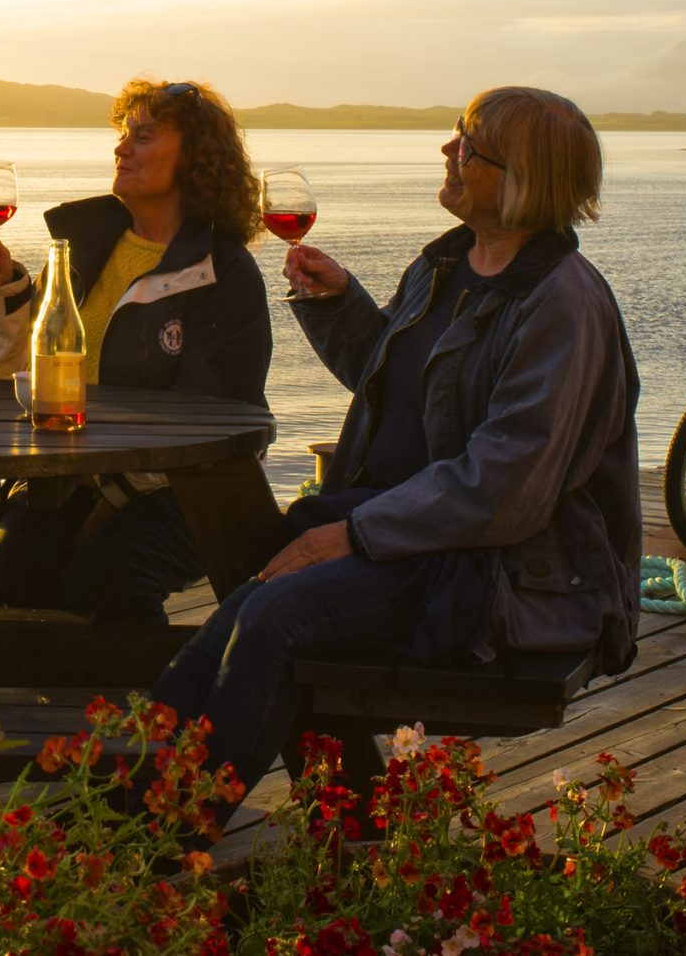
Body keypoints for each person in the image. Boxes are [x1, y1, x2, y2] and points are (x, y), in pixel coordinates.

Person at [150, 86, 640, 795]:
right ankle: (126, 809)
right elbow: (405, 392)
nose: (447, 150)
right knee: (247, 593)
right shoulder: (447, 267)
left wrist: (353, 532)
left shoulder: (563, 302)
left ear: (519, 180)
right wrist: (337, 303)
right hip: (412, 537)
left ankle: (168, 832)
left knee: (273, 616)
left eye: (467, 145)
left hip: (496, 572)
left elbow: (507, 483)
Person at [0, 78, 274, 624]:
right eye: (124, 134)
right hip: (71, 477)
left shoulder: (221, 273)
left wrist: (111, 494)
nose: (122, 147)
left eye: (145, 137)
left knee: (110, 578)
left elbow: (211, 424)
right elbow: (11, 377)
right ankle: (41, 700)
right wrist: (1, 293)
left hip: (187, 490)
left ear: (196, 159)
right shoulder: (80, 250)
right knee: (13, 566)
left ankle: (148, 707)